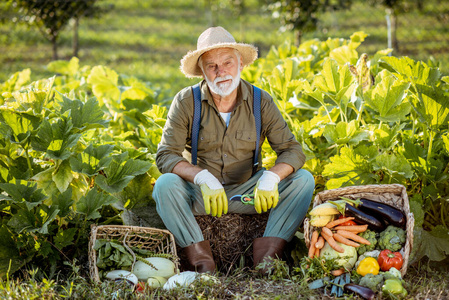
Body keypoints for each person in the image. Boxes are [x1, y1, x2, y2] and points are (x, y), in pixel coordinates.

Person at [153, 26, 314, 274]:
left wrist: (272, 177)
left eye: (227, 62)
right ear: (202, 72)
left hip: (248, 195)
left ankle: (267, 262)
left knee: (303, 180)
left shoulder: (261, 101)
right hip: (201, 196)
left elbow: (292, 150)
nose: (221, 72)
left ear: (240, 64)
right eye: (212, 66)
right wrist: (201, 177)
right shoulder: (186, 101)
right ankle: (202, 265)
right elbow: (165, 155)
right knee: (165, 185)